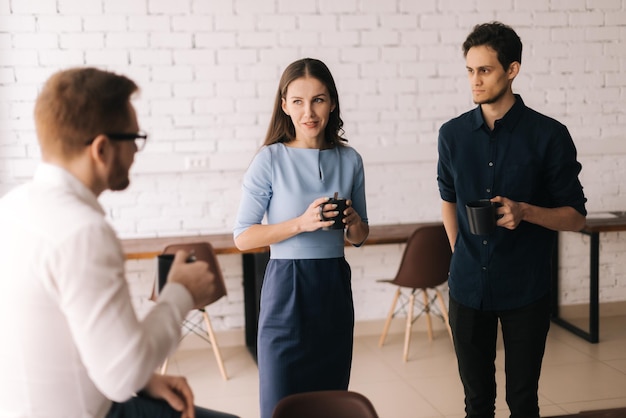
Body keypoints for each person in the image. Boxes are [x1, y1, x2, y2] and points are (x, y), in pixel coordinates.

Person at [0, 67, 238, 418]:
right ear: (102, 148)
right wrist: (180, 293)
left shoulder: (11, 207)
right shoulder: (83, 232)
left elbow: (66, 338)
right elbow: (122, 374)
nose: (136, 153)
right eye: (134, 139)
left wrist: (144, 382)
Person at [437, 22, 587, 418]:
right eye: (469, 70)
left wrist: (526, 212)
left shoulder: (549, 135)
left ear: (512, 70)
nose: (475, 80)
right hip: (467, 289)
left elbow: (575, 217)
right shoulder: (451, 135)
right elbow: (448, 200)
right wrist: (459, 254)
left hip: (526, 289)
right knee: (476, 404)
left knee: (522, 402)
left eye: (484, 70)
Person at [233, 58, 369, 418]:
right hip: (286, 288)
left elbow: (360, 235)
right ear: (284, 105)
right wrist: (300, 223)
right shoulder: (269, 160)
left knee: (330, 403)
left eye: (318, 100)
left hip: (334, 288)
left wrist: (353, 222)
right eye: (298, 101)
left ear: (332, 102)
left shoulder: (351, 159)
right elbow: (243, 237)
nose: (309, 112)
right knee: (280, 405)